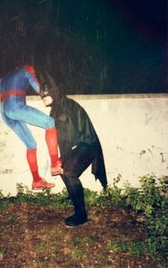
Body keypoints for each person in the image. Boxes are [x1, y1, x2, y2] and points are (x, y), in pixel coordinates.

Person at [40, 74, 107, 227]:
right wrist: (60, 159)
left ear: (54, 91)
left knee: (69, 173)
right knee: (66, 173)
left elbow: (70, 133)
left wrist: (65, 156)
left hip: (86, 145)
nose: (42, 97)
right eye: (41, 94)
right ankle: (77, 205)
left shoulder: (66, 105)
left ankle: (81, 215)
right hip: (78, 147)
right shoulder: (56, 108)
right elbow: (60, 136)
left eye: (46, 93)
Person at [0, 65, 62, 190]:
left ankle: (37, 181)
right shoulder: (25, 71)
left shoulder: (5, 78)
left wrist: (7, 93)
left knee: (31, 145)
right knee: (50, 123)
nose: (33, 74)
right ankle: (55, 164)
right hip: (16, 107)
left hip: (5, 112)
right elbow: (40, 90)